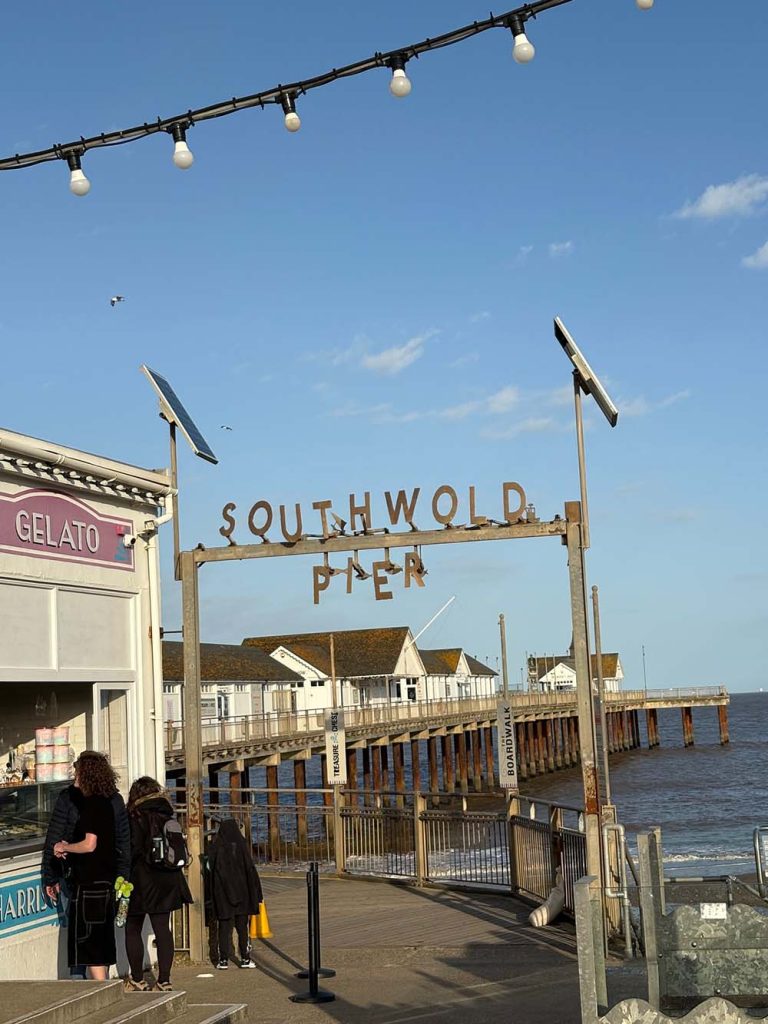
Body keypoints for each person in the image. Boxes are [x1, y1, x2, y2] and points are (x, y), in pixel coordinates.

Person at [51, 751, 121, 981]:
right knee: (100, 946)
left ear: (87, 774)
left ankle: (101, 995)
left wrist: (64, 847)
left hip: (90, 885)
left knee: (91, 949)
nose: (74, 775)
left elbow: (90, 844)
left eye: (77, 770)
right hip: (105, 882)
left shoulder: (91, 806)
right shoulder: (107, 804)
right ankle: (106, 991)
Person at [124, 777, 192, 992]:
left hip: (139, 880)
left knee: (132, 928)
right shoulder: (167, 815)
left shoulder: (132, 817)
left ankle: (137, 978)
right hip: (167, 879)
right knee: (163, 930)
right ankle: (164, 980)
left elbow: (130, 850)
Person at [208, 817, 263, 969]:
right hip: (243, 893)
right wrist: (257, 893)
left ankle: (223, 960)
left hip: (223, 894)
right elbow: (251, 870)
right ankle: (245, 958)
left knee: (224, 928)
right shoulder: (242, 846)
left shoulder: (216, 847)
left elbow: (211, 871)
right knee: (242, 927)